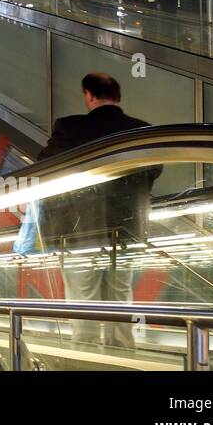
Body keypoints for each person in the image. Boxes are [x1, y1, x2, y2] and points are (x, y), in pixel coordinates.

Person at [37, 72, 155, 350]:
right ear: (118, 97)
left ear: (88, 95)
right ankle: (122, 361)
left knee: (84, 302)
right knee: (120, 300)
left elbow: (44, 168)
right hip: (126, 233)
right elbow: (154, 170)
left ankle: (86, 360)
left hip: (80, 235)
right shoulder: (141, 129)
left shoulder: (69, 128)